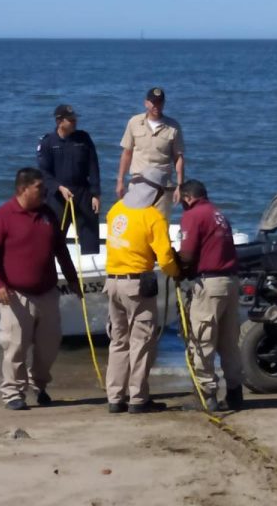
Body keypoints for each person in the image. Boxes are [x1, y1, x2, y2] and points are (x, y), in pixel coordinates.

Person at [0, 167, 82, 410]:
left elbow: (61, 249)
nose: (44, 192)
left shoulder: (48, 213)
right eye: (39, 188)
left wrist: (72, 278)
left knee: (49, 345)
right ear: (23, 189)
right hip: (15, 294)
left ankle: (40, 385)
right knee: (15, 345)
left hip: (47, 292)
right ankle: (13, 393)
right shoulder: (2, 216)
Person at [104, 166, 180, 414]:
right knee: (141, 341)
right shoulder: (153, 217)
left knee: (118, 341)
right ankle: (138, 398)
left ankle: (115, 397)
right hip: (137, 285)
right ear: (156, 193)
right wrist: (177, 273)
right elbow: (166, 258)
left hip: (112, 282)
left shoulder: (115, 210)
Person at [178, 179, 243, 412]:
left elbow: (186, 254)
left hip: (210, 284)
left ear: (188, 197)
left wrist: (177, 268)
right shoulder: (218, 214)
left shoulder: (194, 215)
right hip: (231, 281)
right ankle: (235, 392)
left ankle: (207, 395)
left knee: (202, 339)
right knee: (229, 342)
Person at [37, 104, 101, 254]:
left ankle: (90, 269)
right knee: (53, 236)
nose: (74, 122)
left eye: (75, 119)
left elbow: (94, 166)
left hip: (82, 192)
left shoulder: (83, 138)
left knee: (90, 234)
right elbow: (44, 172)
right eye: (71, 120)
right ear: (59, 121)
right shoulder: (47, 142)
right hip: (58, 195)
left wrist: (96, 194)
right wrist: (59, 187)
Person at [116, 87, 185, 221]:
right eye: (153, 102)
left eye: (160, 102)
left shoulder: (173, 126)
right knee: (137, 224)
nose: (156, 106)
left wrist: (180, 186)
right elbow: (127, 153)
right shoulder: (134, 122)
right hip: (138, 183)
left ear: (164, 103)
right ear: (146, 103)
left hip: (163, 187)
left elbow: (178, 158)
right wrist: (120, 181)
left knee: (160, 225)